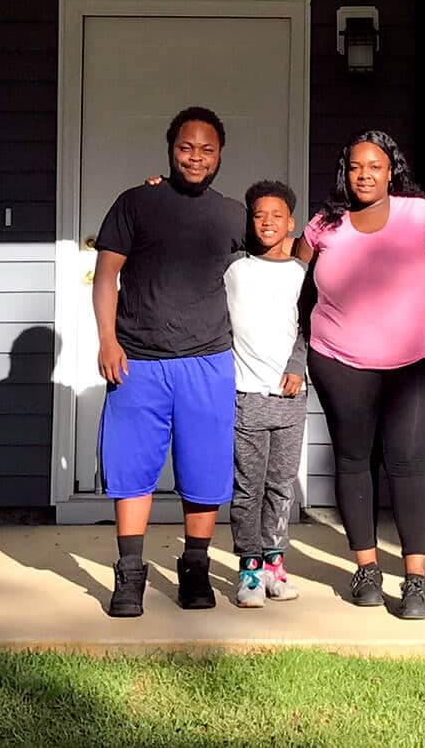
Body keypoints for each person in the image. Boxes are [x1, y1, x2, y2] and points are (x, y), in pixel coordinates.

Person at [92, 106, 246, 618]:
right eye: (186, 147)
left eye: (207, 149)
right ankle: (130, 574)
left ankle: (195, 568)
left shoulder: (232, 216)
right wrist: (107, 341)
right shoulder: (135, 203)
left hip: (208, 361)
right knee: (130, 469)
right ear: (170, 149)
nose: (195, 157)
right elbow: (105, 275)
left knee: (203, 471)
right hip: (137, 360)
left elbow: (287, 256)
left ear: (220, 155)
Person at [295, 130, 425, 619]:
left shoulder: (422, 216)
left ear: (391, 171)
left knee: (408, 463)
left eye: (375, 166)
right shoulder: (324, 225)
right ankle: (365, 567)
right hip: (339, 360)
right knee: (352, 460)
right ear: (347, 171)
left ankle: (416, 579)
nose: (366, 175)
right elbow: (285, 278)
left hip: (414, 363)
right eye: (357, 166)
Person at [223, 179, 310, 608]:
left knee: (281, 486)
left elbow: (308, 326)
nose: (268, 222)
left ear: (290, 223)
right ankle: (250, 570)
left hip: (291, 398)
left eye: (277, 215)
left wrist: (297, 366)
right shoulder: (234, 268)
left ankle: (275, 563)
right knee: (248, 488)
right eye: (259, 215)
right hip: (246, 396)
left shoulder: (301, 274)